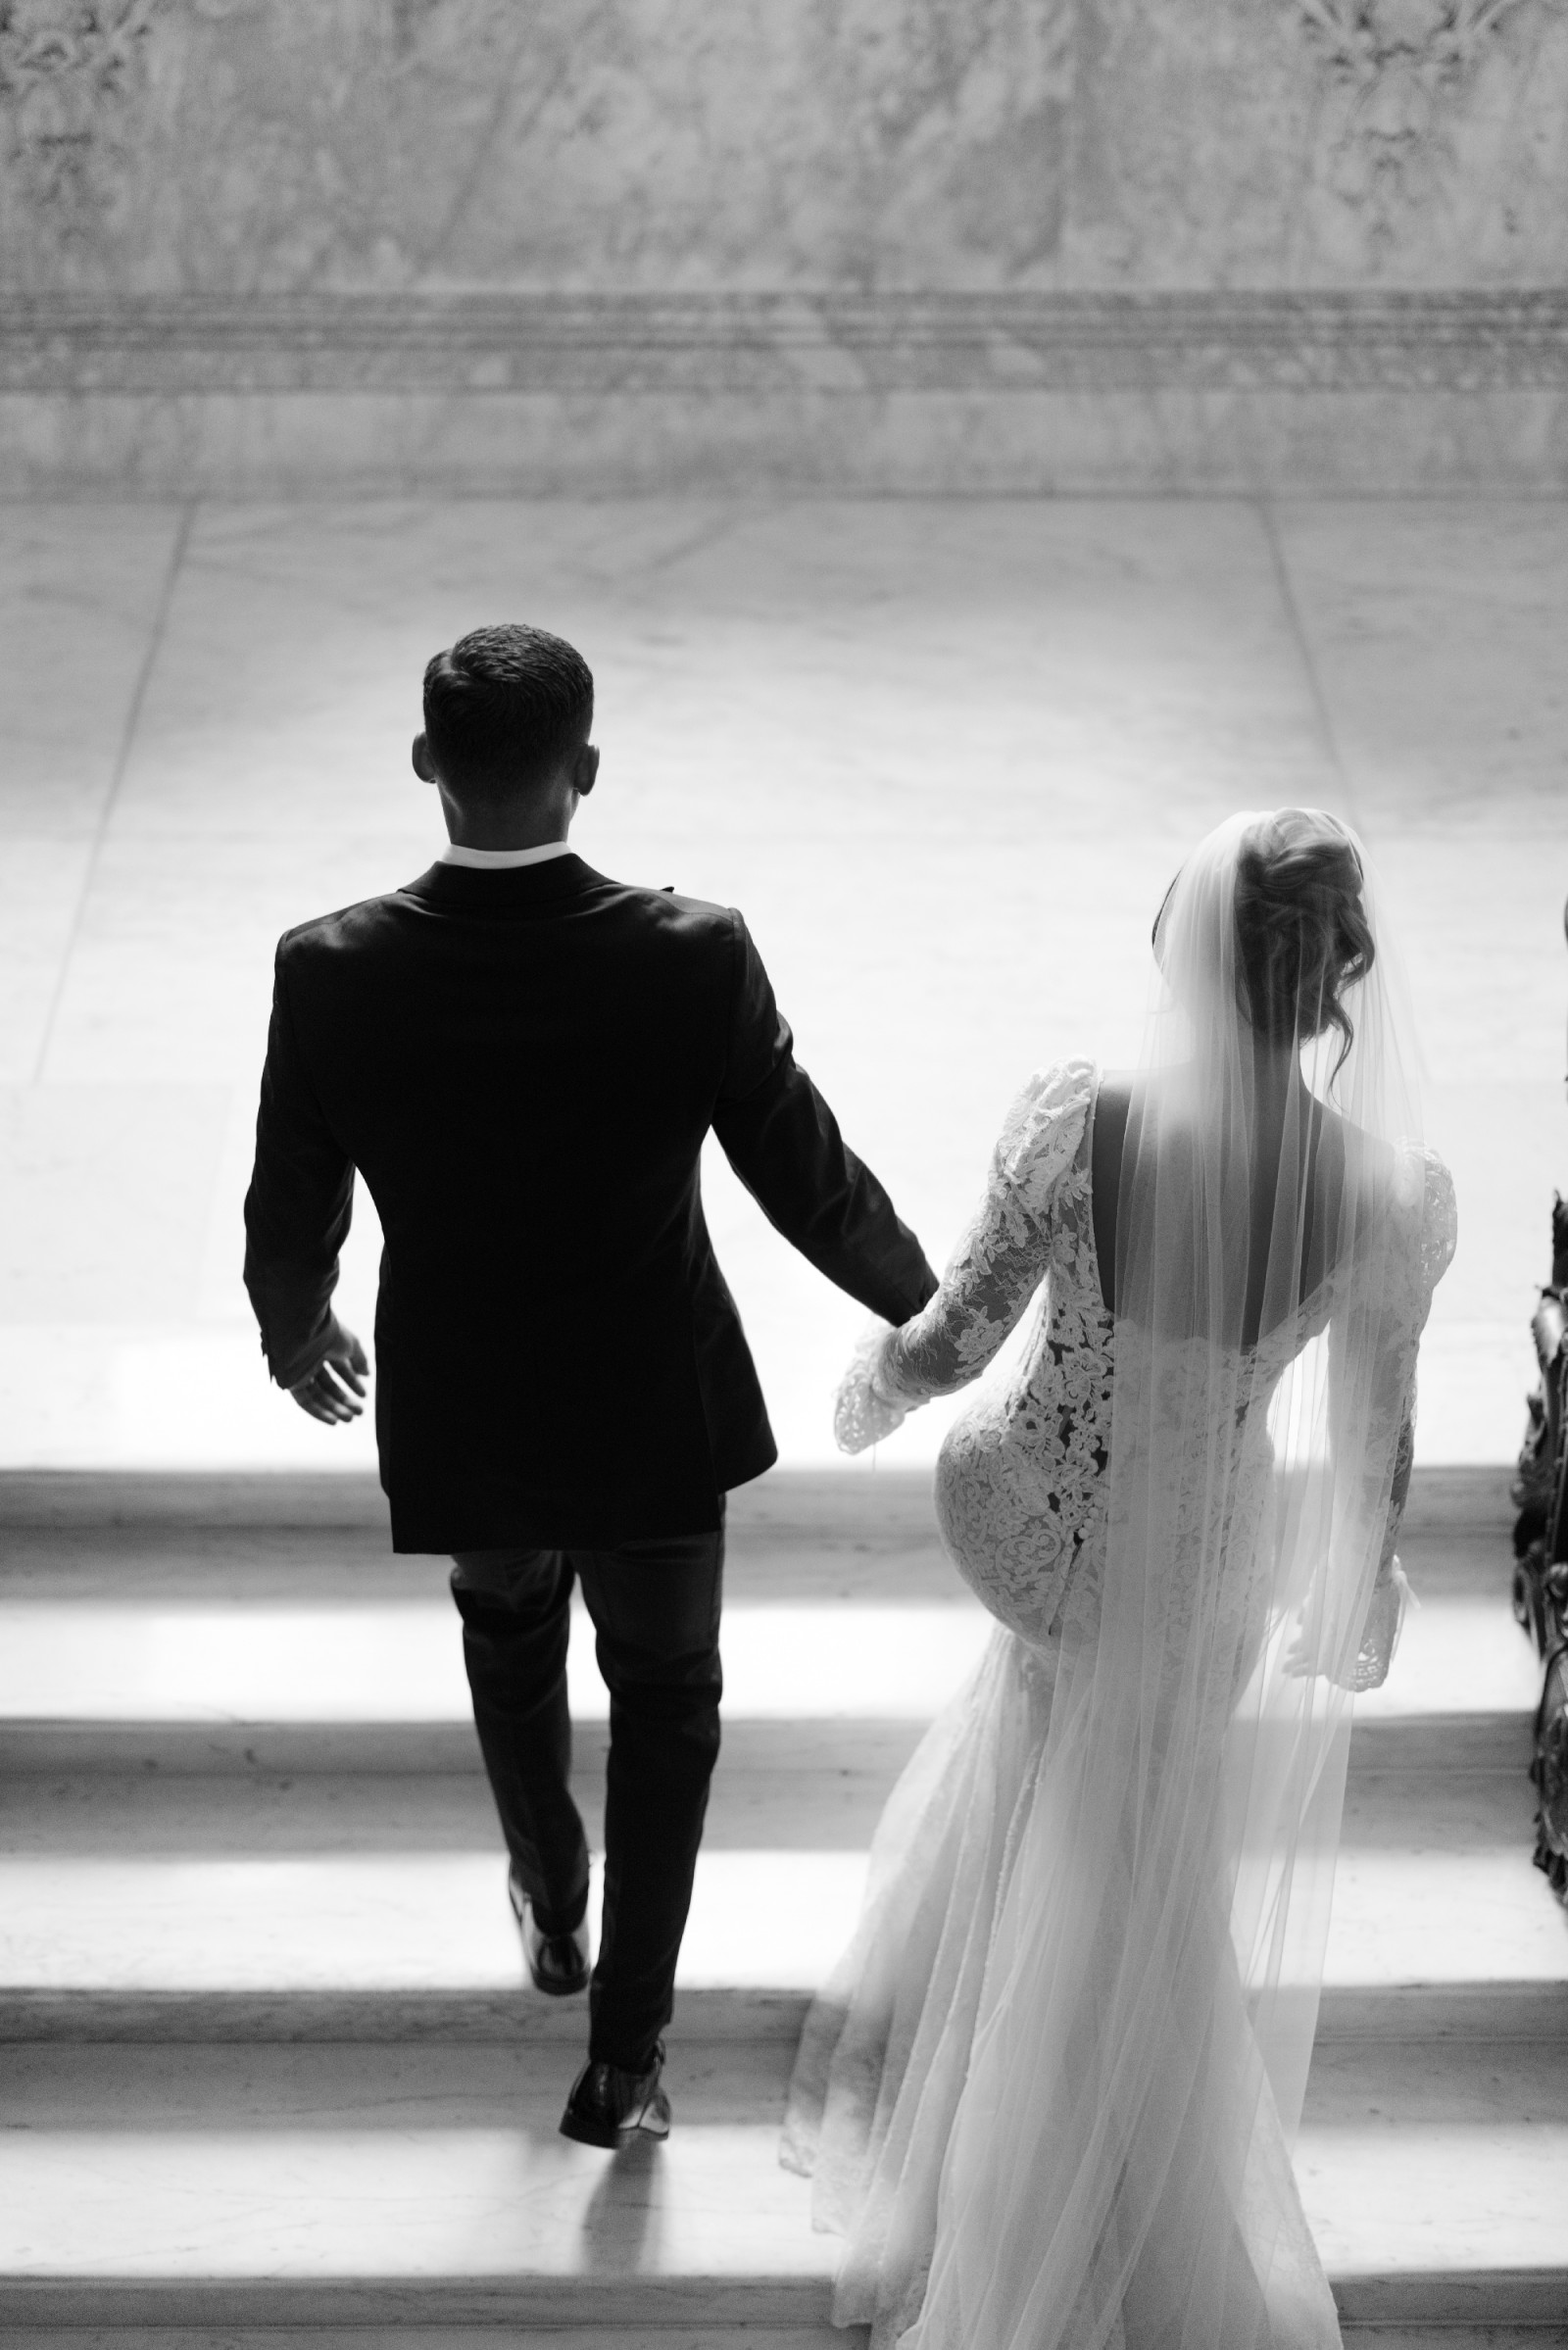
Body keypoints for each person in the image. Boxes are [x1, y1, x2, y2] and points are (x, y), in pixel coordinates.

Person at [243, 622, 938, 2149]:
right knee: (669, 1700)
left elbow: (290, 1207)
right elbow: (805, 1174)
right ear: (591, 770)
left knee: (506, 1641)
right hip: (652, 1404)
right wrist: (930, 1309)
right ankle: (627, 2057)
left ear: (425, 765)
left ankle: (552, 1893)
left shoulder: (332, 969)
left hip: (465, 1403)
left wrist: (299, 1333)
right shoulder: (691, 953)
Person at [786, 808, 1456, 2350]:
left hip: (1026, 1523)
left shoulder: (1077, 1122)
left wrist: (871, 1391)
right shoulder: (1384, 1197)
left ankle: (1008, 2134)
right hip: (1195, 1575)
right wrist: (1363, 1583)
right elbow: (1378, 1444)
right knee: (1141, 1834)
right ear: (1336, 980)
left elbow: (959, 1332)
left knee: (1046, 1748)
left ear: (1188, 949)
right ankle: (1108, 2129)